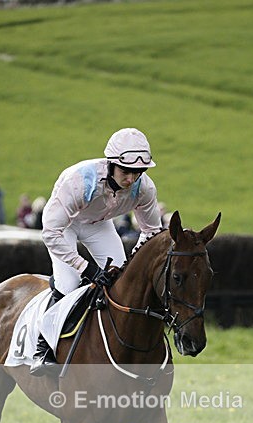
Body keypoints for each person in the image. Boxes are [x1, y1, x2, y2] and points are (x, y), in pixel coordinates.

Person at [31, 127, 162, 375]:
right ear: (112, 164)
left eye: (138, 173)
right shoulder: (80, 181)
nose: (131, 180)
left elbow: (152, 231)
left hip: (99, 225)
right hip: (65, 225)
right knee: (69, 282)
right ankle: (43, 348)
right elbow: (50, 233)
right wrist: (86, 267)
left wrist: (134, 260)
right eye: (126, 172)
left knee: (123, 281)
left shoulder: (145, 188)